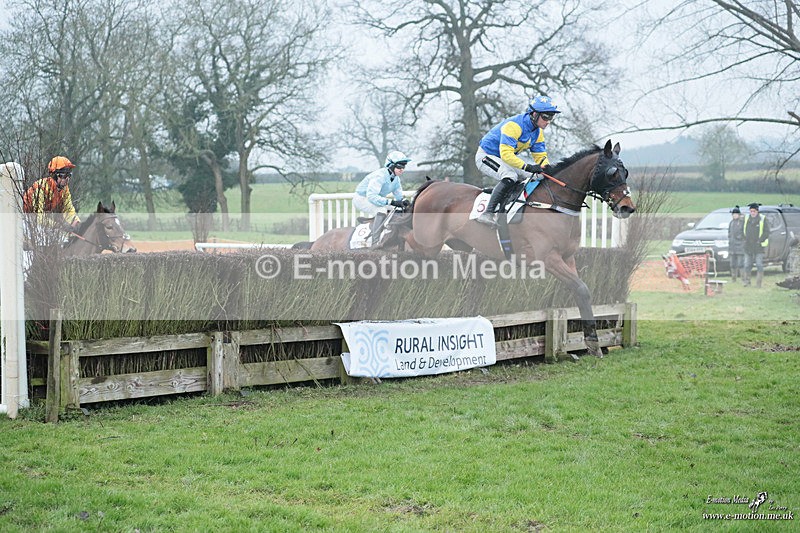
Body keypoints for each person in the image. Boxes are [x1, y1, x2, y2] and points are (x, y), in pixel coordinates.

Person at [475, 95, 560, 225]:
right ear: (534, 114)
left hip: (505, 159)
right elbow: (506, 155)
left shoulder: (538, 132)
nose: (548, 121)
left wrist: (548, 170)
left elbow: (541, 157)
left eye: (551, 117)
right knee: (510, 175)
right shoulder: (514, 126)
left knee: (538, 177)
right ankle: (488, 212)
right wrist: (528, 167)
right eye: (545, 117)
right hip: (486, 156)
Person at [353, 150, 411, 246]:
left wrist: (404, 202)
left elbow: (399, 196)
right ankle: (375, 242)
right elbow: (371, 196)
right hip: (361, 199)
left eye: (403, 166)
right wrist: (392, 202)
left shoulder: (396, 179)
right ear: (391, 165)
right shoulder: (379, 176)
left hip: (373, 199)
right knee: (381, 210)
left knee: (396, 210)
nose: (402, 169)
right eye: (399, 166)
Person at [22, 155, 81, 229]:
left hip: (39, 222)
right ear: (54, 176)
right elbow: (39, 218)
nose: (67, 179)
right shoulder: (41, 188)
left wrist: (76, 222)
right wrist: (59, 226)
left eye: (69, 175)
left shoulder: (64, 190)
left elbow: (68, 209)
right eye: (63, 175)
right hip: (24, 219)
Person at [741, 202, 770, 288]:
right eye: (751, 211)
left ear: (757, 211)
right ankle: (747, 282)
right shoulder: (746, 218)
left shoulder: (763, 219)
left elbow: (766, 232)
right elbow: (742, 230)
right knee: (747, 265)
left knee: (759, 265)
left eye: (754, 211)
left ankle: (758, 283)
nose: (752, 213)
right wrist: (744, 239)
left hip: (758, 246)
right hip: (748, 246)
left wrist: (760, 240)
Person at [727, 205, 745, 282]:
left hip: (740, 247)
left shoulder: (742, 223)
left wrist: (740, 238)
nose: (734, 215)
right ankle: (733, 279)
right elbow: (729, 233)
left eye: (736, 214)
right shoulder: (731, 223)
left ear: (739, 214)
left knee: (741, 264)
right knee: (732, 264)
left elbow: (745, 234)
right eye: (733, 214)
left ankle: (743, 278)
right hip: (732, 247)